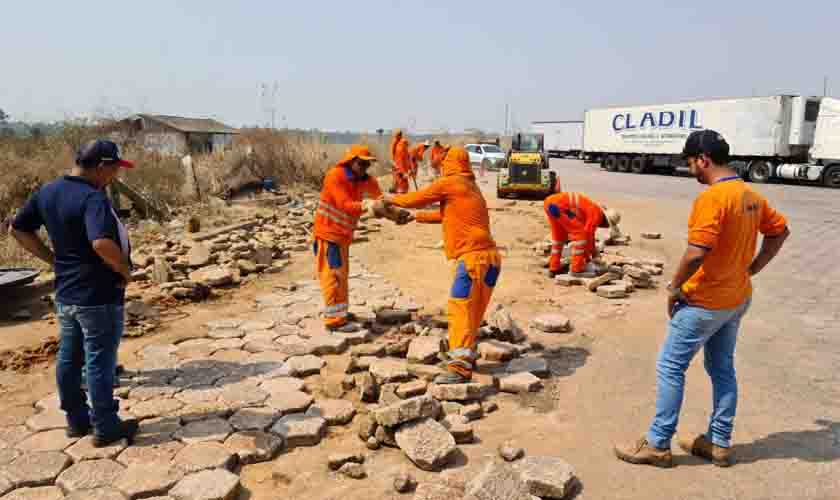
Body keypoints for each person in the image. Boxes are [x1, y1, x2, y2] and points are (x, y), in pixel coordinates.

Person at [614, 130, 790, 468]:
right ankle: (719, 442)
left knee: (671, 366)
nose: (691, 169)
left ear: (703, 160)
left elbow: (696, 254)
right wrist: (751, 269)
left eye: (690, 162)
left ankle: (657, 443)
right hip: (736, 298)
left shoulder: (713, 198)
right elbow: (779, 232)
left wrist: (673, 287)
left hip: (705, 302)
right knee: (722, 368)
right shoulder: (750, 195)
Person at [10, 139, 139, 447]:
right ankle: (106, 425)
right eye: (114, 170)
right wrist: (125, 269)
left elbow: (17, 228)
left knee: (69, 357)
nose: (115, 177)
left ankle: (76, 420)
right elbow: (101, 243)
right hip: (98, 296)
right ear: (101, 167)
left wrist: (52, 259)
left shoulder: (48, 192)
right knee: (100, 360)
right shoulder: (92, 198)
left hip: (67, 294)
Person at [385, 146, 501, 384]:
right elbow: (446, 215)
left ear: (449, 163)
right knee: (472, 314)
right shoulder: (470, 187)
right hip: (490, 260)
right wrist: (415, 218)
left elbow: (415, 199)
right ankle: (465, 357)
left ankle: (458, 369)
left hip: (472, 261)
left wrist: (389, 199)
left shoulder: (450, 183)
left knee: (459, 310)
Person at [313, 145, 411, 331]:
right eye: (361, 164)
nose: (364, 168)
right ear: (350, 161)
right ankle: (334, 321)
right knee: (332, 277)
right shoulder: (335, 176)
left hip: (342, 236)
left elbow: (381, 200)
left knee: (341, 276)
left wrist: (396, 213)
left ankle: (340, 313)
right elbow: (345, 205)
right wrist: (368, 205)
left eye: (367, 165)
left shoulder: (366, 180)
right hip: (328, 235)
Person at [543, 191, 621, 277]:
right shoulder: (597, 214)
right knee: (580, 235)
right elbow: (587, 236)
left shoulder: (592, 209)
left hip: (549, 204)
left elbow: (590, 237)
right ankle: (576, 269)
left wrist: (592, 252)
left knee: (559, 237)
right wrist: (591, 256)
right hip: (558, 206)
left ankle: (554, 268)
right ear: (606, 221)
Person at [389, 129, 411, 194]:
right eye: (406, 145)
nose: (407, 146)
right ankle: (400, 194)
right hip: (399, 168)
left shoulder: (399, 144)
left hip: (397, 167)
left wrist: (409, 167)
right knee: (402, 183)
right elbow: (400, 161)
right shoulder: (400, 148)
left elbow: (407, 158)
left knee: (397, 181)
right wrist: (404, 172)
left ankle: (395, 191)